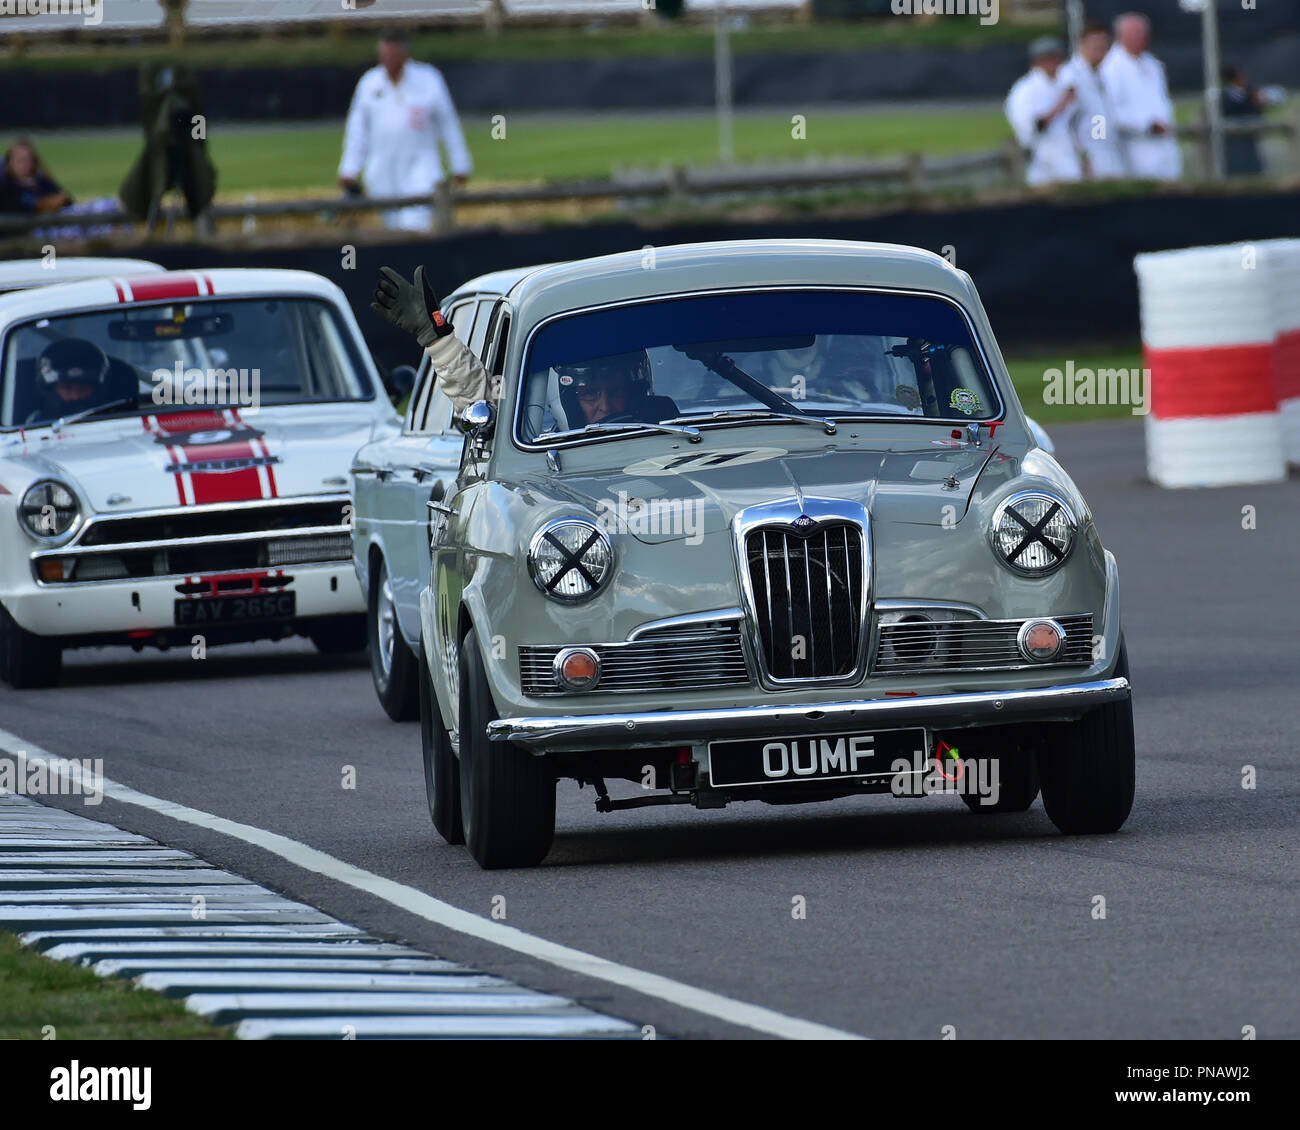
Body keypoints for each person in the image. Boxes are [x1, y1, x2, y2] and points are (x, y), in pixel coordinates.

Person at [339, 29, 473, 232]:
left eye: (392, 56)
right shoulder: (369, 83)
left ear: (405, 55)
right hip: (381, 169)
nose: (387, 61)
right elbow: (357, 130)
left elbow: (448, 123)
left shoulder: (428, 79)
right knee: (393, 227)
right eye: (384, 56)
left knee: (416, 223)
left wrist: (460, 164)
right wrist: (349, 169)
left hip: (421, 165)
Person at [1101, 12, 1181, 181]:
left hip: (1165, 147)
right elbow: (1110, 111)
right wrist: (1146, 125)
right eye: (1134, 34)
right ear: (1121, 36)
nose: (1140, 39)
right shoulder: (1111, 68)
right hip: (1135, 149)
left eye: (1142, 34)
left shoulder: (1153, 64)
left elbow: (1162, 101)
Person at [1004, 37, 1083, 187]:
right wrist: (1062, 104)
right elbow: (1031, 127)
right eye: (1048, 59)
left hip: (1069, 150)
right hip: (1042, 154)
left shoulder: (1062, 83)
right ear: (1037, 62)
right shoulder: (1024, 90)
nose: (1054, 63)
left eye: (1056, 58)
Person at [1059, 22, 1130, 180]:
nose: (1101, 52)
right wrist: (1081, 156)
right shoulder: (1070, 76)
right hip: (1089, 155)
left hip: (1110, 150)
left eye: (1104, 48)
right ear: (1082, 45)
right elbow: (1065, 122)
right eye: (1096, 47)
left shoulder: (1102, 74)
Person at [26, 339, 111, 425]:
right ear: (51, 390)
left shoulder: (115, 420)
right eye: (67, 388)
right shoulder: (35, 426)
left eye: (83, 388)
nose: (76, 396)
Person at [0, 139, 71, 215]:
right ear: (9, 163)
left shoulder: (40, 180)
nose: (24, 165)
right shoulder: (7, 186)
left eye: (28, 160)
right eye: (19, 160)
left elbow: (66, 199)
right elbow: (34, 206)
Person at [1221, 65, 1266, 178]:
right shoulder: (1225, 96)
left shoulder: (1250, 92)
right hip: (1233, 138)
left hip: (1249, 136)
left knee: (1252, 163)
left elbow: (1257, 112)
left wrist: (1258, 104)